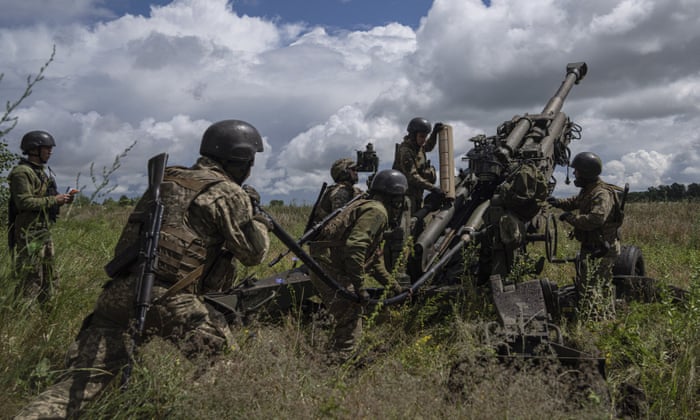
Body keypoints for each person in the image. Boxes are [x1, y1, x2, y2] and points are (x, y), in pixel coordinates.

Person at [15, 120, 271, 419]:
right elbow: (254, 254)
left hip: (117, 296)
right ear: (241, 160)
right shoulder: (226, 192)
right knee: (226, 368)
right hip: (171, 299)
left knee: (79, 383)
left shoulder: (165, 179)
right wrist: (259, 221)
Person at [308, 169, 407, 361]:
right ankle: (341, 361)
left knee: (349, 313)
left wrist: (395, 288)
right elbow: (355, 248)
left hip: (325, 262)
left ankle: (338, 354)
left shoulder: (369, 207)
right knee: (350, 311)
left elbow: (374, 263)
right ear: (396, 198)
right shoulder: (377, 212)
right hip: (329, 265)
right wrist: (360, 289)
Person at [547, 152, 623, 318]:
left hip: (602, 249)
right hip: (592, 248)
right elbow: (575, 202)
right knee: (587, 285)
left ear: (586, 172)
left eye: (577, 171)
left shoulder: (601, 193)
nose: (574, 174)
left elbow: (596, 219)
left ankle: (601, 319)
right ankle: (594, 316)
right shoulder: (589, 190)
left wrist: (571, 218)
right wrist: (557, 203)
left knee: (597, 286)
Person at [8, 130, 75, 303]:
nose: (50, 152)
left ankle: (47, 314)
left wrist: (64, 199)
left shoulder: (41, 173)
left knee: (50, 275)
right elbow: (24, 202)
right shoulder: (22, 173)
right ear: (34, 149)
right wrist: (54, 199)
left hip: (43, 230)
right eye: (47, 148)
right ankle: (23, 319)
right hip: (29, 233)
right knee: (32, 276)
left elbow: (46, 199)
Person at [392, 117, 444, 215]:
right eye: (421, 136)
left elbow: (428, 146)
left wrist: (434, 133)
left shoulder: (418, 147)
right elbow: (412, 176)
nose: (424, 140)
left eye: (425, 136)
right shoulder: (406, 151)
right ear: (413, 135)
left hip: (417, 194)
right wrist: (433, 188)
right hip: (406, 195)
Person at [310, 158, 363, 225]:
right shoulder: (341, 192)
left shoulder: (351, 190)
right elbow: (340, 222)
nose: (356, 172)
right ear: (344, 172)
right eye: (353, 170)